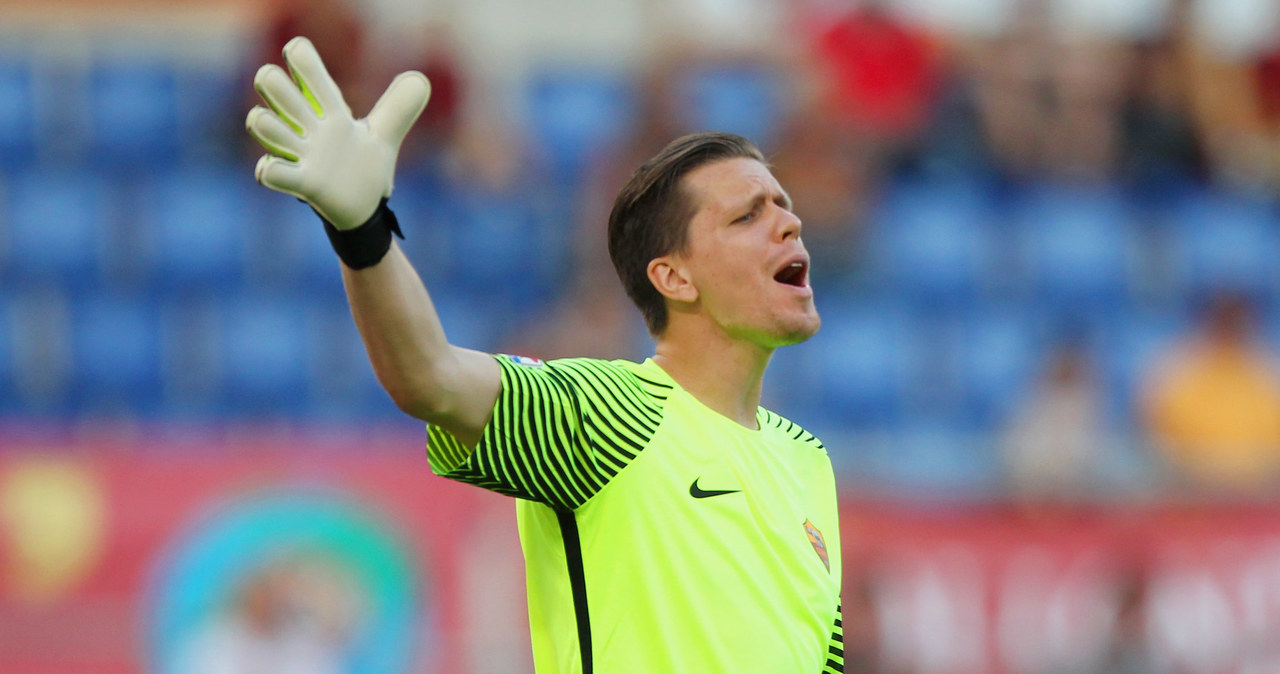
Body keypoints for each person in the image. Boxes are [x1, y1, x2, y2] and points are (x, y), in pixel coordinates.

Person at [245, 37, 844, 673]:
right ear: (674, 278)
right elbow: (430, 376)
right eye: (748, 215)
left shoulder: (809, 460)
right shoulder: (611, 413)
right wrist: (362, 229)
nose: (789, 223)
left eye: (783, 206)